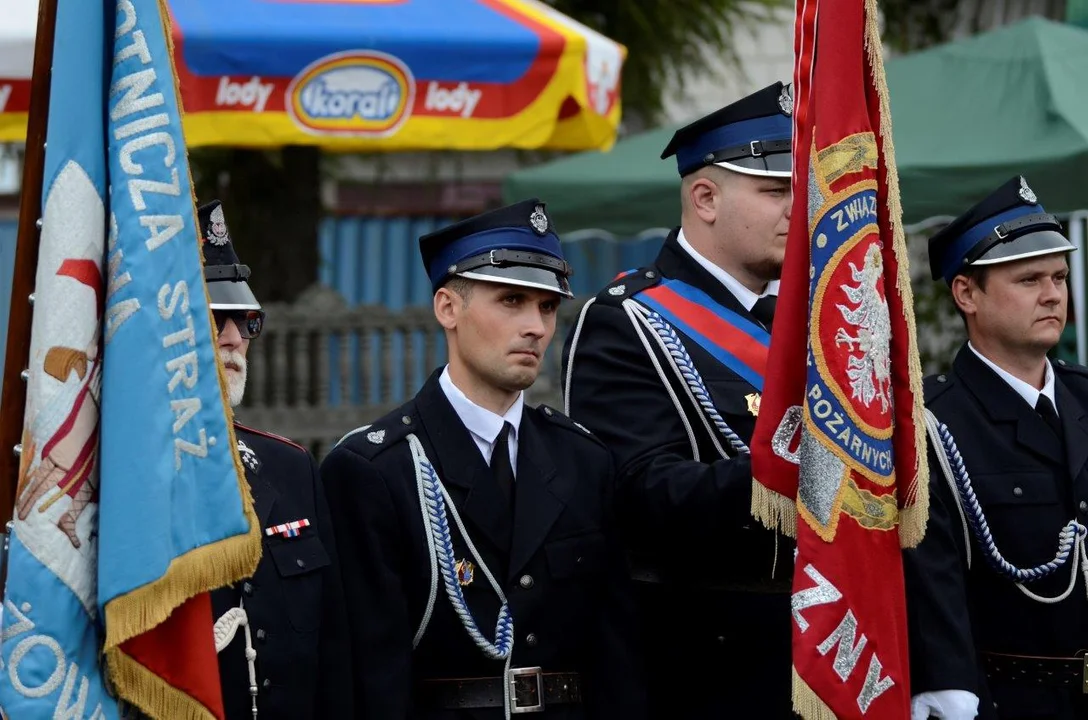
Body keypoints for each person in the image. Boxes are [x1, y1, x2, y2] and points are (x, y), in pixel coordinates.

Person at [320, 199, 646, 718]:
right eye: (512, 300)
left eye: (546, 306)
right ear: (448, 308)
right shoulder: (376, 471)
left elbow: (617, 659)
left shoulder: (582, 458)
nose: (537, 327)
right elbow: (369, 678)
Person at [560, 81, 796, 718]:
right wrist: (788, 471)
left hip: (820, 649)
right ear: (705, 197)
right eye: (775, 191)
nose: (795, 211)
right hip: (702, 660)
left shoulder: (809, 328)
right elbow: (636, 493)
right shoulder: (627, 319)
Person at [905, 176, 1088, 720]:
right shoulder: (934, 424)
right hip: (1008, 699)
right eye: (1029, 278)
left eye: (1058, 276)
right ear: (967, 294)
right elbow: (930, 576)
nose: (1054, 294)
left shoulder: (1083, 395)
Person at [199, 200, 353, 720]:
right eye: (212, 316)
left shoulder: (289, 467)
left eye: (244, 320)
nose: (234, 337)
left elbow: (334, 657)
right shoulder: (111, 478)